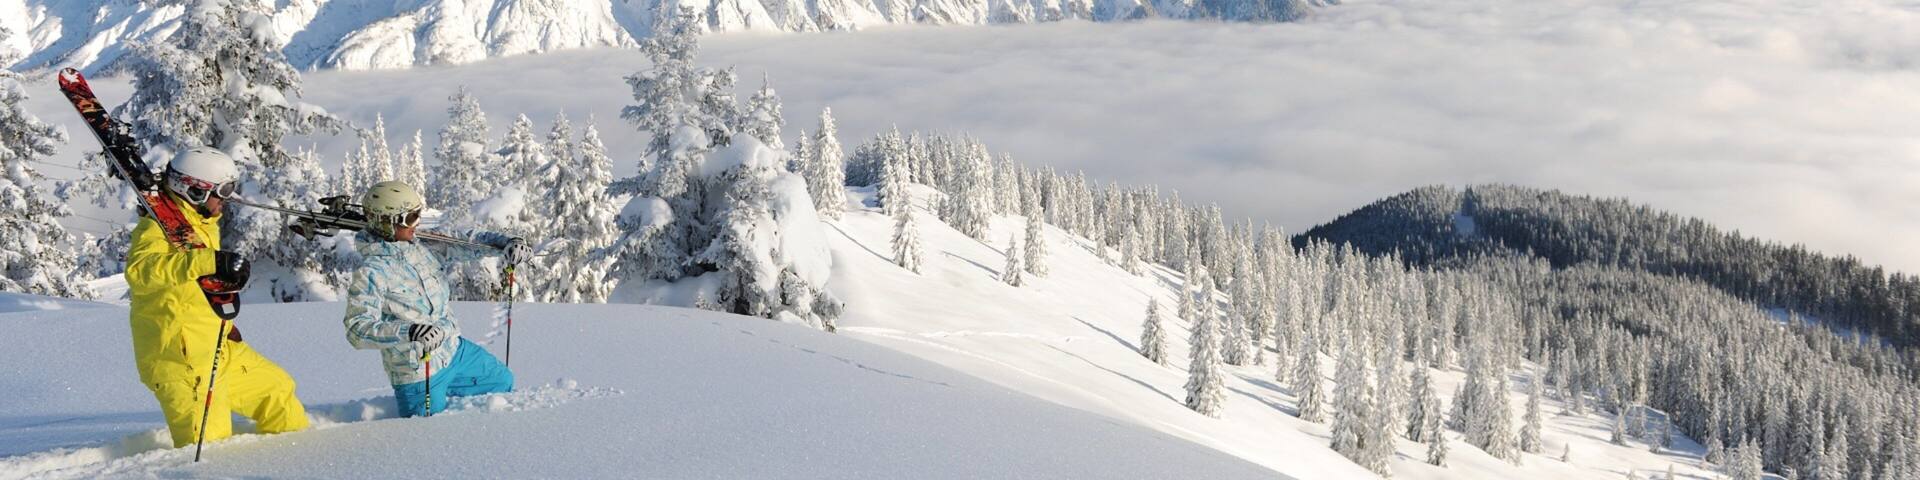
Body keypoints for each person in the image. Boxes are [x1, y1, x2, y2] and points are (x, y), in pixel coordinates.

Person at [126, 147, 310, 447]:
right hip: (182, 361)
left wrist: (224, 327)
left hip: (218, 347)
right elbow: (140, 272)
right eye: (222, 190)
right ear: (194, 191)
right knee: (211, 444)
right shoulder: (155, 229)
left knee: (277, 391)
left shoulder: (200, 224)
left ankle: (297, 459)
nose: (227, 198)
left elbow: (192, 289)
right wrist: (210, 261)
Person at [341, 181, 529, 417]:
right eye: (411, 217)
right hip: (418, 371)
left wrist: (507, 243)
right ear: (386, 223)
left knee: (501, 381)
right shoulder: (373, 272)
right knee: (427, 432)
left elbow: (465, 241)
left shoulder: (422, 246)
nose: (417, 222)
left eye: (418, 214)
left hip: (453, 350)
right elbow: (357, 330)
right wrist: (410, 332)